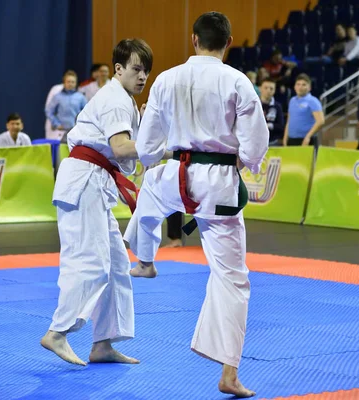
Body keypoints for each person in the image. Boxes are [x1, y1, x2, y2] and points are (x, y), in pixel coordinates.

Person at [123, 12, 269, 398]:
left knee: (148, 193)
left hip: (174, 175)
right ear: (229, 42)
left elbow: (148, 148)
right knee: (232, 278)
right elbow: (255, 146)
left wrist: (157, 162)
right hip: (218, 185)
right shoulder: (238, 81)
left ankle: (144, 259)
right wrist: (243, 161)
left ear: (193, 40)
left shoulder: (166, 79)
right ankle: (229, 372)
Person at [41, 38, 155, 367]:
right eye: (136, 68)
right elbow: (120, 149)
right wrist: (160, 146)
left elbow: (122, 153)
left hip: (94, 181)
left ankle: (102, 344)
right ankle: (57, 331)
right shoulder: (117, 98)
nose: (142, 75)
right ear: (118, 69)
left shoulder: (125, 101)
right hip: (85, 180)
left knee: (117, 265)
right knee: (89, 261)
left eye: (146, 70)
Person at [283, 74, 324, 146]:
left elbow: (320, 121)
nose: (300, 87)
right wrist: (285, 138)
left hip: (306, 140)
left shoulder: (313, 101)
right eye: (298, 84)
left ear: (309, 88)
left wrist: (308, 137)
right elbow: (289, 121)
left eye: (304, 85)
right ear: (295, 87)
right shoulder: (292, 100)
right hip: (292, 139)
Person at [45, 70, 87, 140]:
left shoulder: (81, 97)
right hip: (60, 132)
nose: (70, 84)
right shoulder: (57, 97)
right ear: (64, 83)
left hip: (76, 131)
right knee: (60, 150)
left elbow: (86, 112)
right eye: (68, 82)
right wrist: (56, 123)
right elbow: (48, 111)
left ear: (76, 83)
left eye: (72, 82)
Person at [260, 78, 285, 146]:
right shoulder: (253, 105)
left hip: (273, 142)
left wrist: (269, 126)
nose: (268, 91)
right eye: (266, 88)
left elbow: (281, 126)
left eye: (271, 88)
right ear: (260, 88)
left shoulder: (277, 106)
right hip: (256, 142)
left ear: (274, 90)